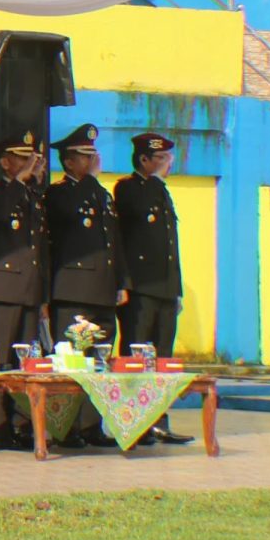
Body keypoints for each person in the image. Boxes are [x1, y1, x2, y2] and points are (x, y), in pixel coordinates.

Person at [45, 123, 126, 448]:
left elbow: (114, 241)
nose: (93, 161)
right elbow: (64, 220)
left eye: (94, 155)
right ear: (69, 161)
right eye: (85, 155)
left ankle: (92, 426)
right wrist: (90, 179)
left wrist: (121, 281)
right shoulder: (60, 193)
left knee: (98, 362)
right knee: (73, 361)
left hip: (103, 289)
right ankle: (66, 427)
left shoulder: (101, 194)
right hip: (74, 289)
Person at [115, 132, 192, 445]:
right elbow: (133, 220)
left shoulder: (161, 192)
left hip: (165, 289)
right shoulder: (129, 188)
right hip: (141, 288)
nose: (168, 164)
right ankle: (133, 420)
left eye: (168, 158)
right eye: (161, 158)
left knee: (162, 359)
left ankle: (158, 420)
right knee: (136, 356)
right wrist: (156, 179)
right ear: (144, 159)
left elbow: (170, 247)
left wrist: (177, 290)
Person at [0, 131, 48, 450]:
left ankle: (23, 424)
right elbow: (1, 214)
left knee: (27, 362)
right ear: (6, 163)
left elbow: (40, 247)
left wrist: (44, 294)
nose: (30, 163)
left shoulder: (32, 195)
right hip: (1, 287)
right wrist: (20, 181)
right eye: (22, 158)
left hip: (30, 288)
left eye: (32, 158)